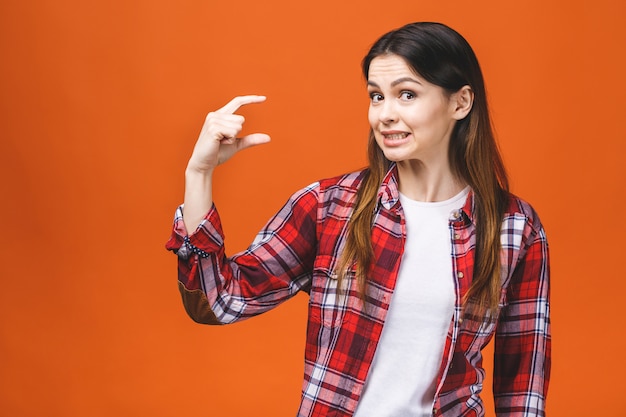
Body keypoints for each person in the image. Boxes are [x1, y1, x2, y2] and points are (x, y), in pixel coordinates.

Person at [166, 22, 551, 417]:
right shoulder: (330, 207)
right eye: (376, 96)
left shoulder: (515, 228)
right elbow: (217, 303)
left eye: (406, 94)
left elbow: (523, 386)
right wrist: (199, 174)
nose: (385, 114)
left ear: (460, 103)